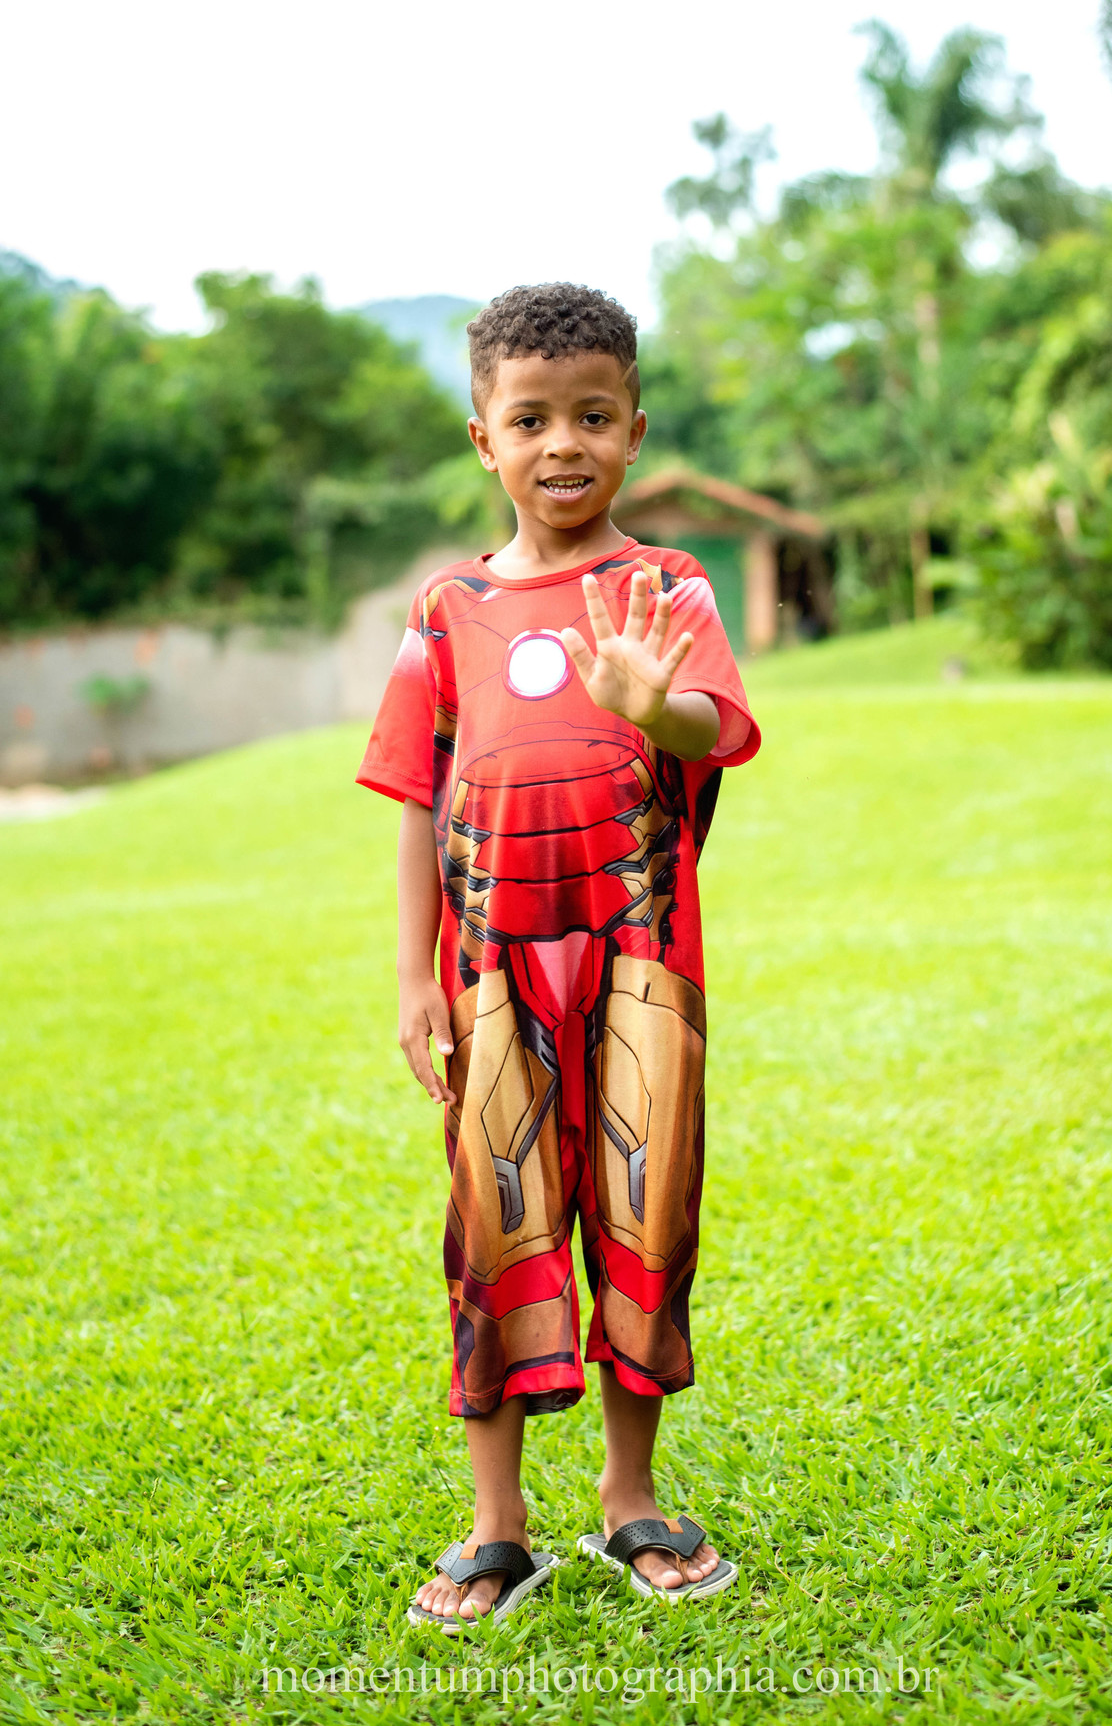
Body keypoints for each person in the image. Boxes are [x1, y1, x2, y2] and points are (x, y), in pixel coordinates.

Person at [357, 283, 760, 1631]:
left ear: (636, 430)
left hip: (645, 962)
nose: (563, 443)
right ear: (484, 437)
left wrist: (657, 701)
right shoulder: (447, 606)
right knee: (497, 1224)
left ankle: (629, 1498)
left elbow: (712, 725)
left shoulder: (665, 587)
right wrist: (416, 976)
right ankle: (497, 1526)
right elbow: (419, 791)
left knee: (644, 1218)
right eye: (531, 418)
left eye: (593, 414)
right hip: (489, 975)